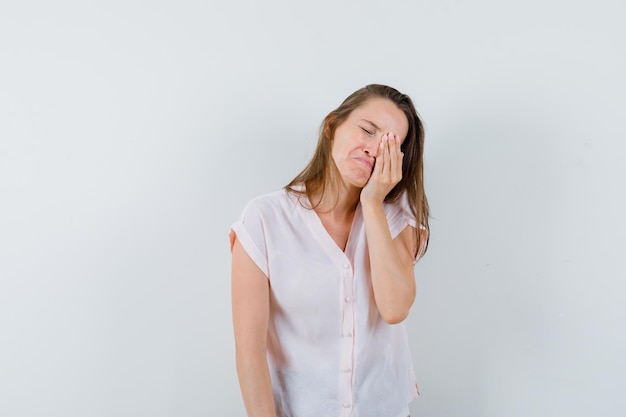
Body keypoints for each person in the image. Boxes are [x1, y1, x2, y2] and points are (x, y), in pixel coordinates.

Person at [229, 84, 430, 417]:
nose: (373, 149)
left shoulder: (395, 218)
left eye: (389, 145)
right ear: (332, 126)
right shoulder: (264, 220)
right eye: (367, 130)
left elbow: (394, 308)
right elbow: (249, 352)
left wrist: (372, 203)